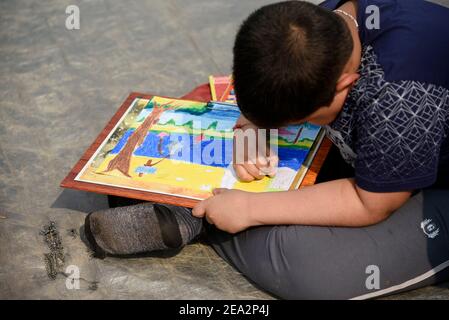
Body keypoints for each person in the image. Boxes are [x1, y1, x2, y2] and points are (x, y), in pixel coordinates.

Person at [84, 0, 449, 299]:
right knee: (245, 132)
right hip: (394, 149)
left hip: (423, 185)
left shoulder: (399, 95)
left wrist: (251, 208)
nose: (285, 129)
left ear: (345, 84)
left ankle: (200, 214)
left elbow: (373, 202)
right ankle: (211, 207)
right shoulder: (325, 24)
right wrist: (251, 125)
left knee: (313, 273)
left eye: (300, 119)